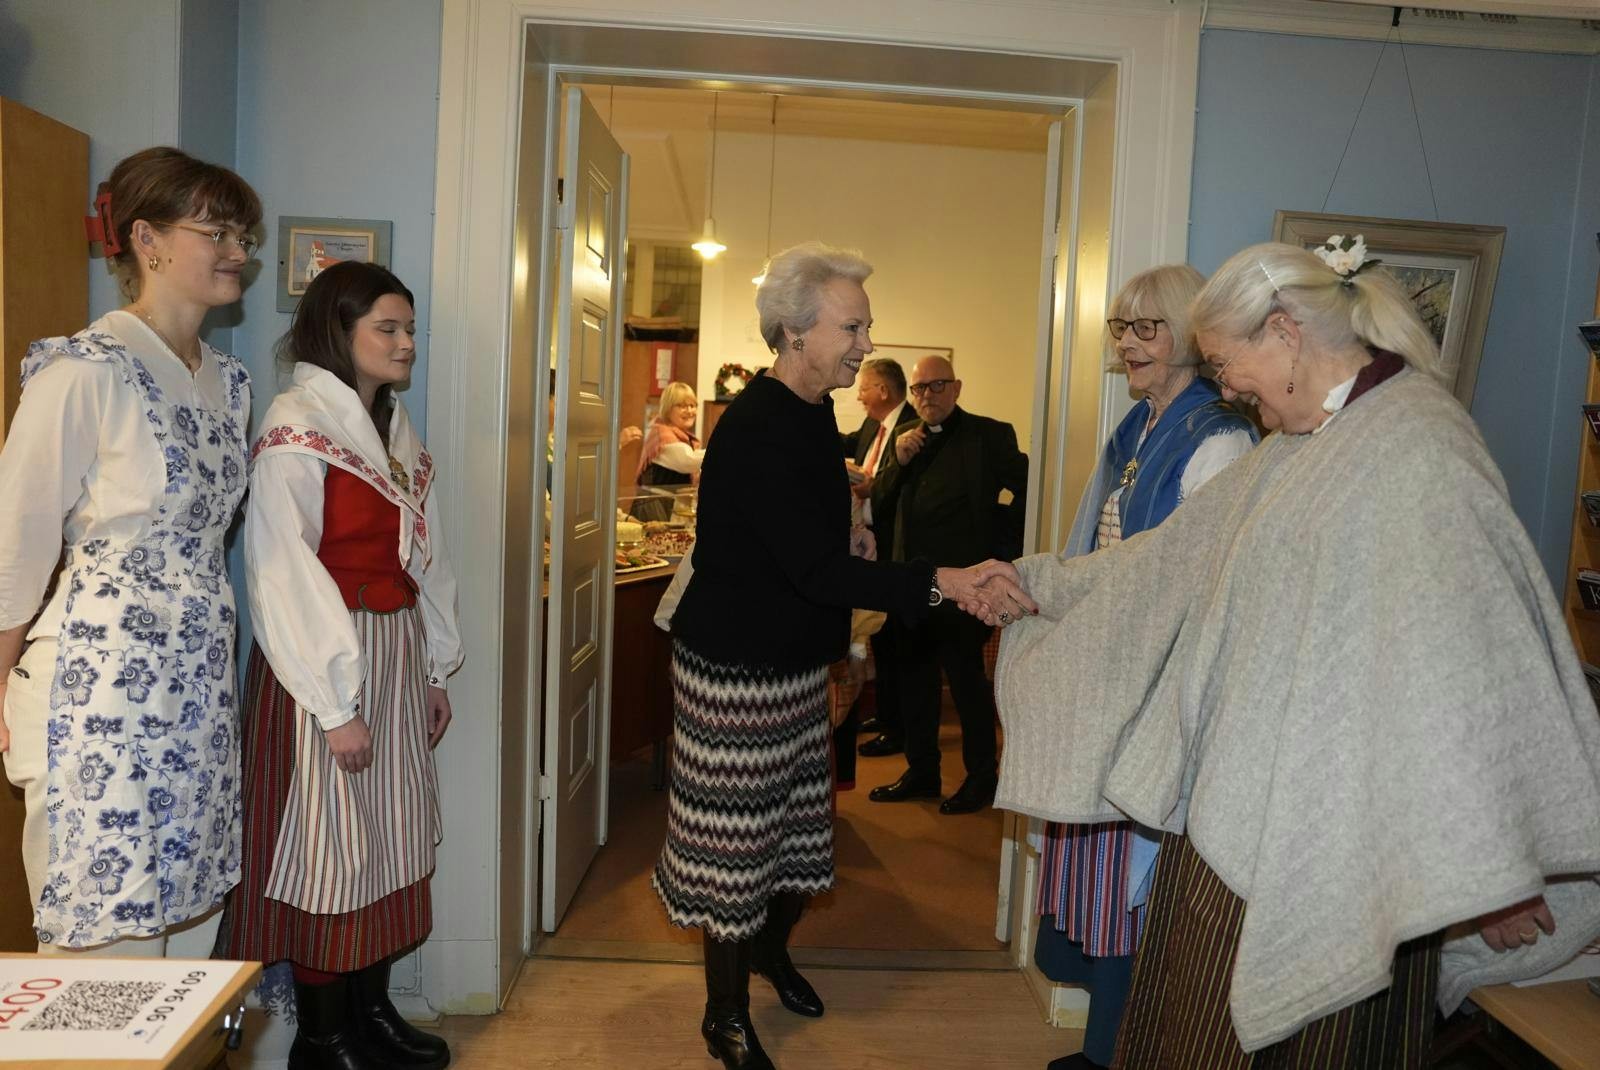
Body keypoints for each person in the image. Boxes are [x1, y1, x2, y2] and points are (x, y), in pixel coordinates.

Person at [987, 240, 1600, 1067]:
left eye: (1221, 361)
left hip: (1348, 841)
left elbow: (1474, 675)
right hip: (1238, 814)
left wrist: (1497, 870)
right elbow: (1165, 559)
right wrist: (1033, 582)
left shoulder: (1420, 448)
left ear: (1284, 331)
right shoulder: (1294, 443)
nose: (1222, 385)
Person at [658, 241, 1019, 1070]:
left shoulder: (810, 410)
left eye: (866, 325)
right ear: (794, 329)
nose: (865, 343)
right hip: (734, 669)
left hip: (793, 659)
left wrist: (851, 540)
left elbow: (817, 544)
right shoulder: (754, 427)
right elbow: (816, 571)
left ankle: (769, 952)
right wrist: (945, 582)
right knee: (734, 850)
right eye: (851, 325)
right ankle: (724, 1016)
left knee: (796, 840)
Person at [0, 147, 260, 954]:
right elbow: (15, 545)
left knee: (188, 940)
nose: (238, 252)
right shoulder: (84, 371)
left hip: (199, 689)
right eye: (214, 230)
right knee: (104, 960)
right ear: (146, 240)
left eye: (242, 234)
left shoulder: (232, 383)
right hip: (100, 690)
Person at [222, 262, 462, 1070]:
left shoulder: (391, 429)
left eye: (409, 329)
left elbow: (422, 558)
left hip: (392, 654)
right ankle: (323, 1041)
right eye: (387, 329)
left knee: (387, 838)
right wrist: (335, 705)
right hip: (328, 660)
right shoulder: (299, 425)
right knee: (332, 850)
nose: (405, 343)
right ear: (341, 331)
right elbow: (280, 568)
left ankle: (369, 1012)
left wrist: (433, 667)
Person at [1032, 264, 1256, 1070]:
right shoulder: (1137, 427)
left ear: (1192, 338)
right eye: (1120, 327)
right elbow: (1100, 540)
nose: (1128, 342)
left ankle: (1119, 1053)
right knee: (1101, 876)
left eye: (1146, 327)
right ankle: (1103, 1047)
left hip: (1158, 685)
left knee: (1135, 882)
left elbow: (1193, 580)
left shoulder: (1219, 439)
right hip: (1112, 669)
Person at [866, 355, 1027, 814]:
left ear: (956, 388)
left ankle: (981, 778)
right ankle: (922, 772)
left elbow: (1027, 488)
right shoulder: (904, 441)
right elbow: (879, 505)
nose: (927, 396)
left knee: (966, 684)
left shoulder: (989, 434)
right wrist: (895, 464)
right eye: (919, 389)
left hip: (966, 589)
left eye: (936, 386)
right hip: (914, 586)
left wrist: (1000, 552)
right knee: (914, 682)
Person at [839, 357, 919, 763]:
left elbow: (893, 489)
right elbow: (850, 444)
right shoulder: (874, 426)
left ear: (884, 391)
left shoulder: (913, 429)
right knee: (882, 642)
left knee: (897, 645)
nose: (859, 394)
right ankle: (885, 717)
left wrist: (870, 487)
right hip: (870, 545)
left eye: (865, 387)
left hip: (896, 546)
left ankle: (897, 728)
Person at [632, 380, 704, 522]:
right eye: (682, 406)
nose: (689, 411)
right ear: (668, 408)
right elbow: (687, 461)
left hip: (671, 506)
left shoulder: (686, 437)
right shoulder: (661, 433)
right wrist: (722, 450)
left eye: (692, 405)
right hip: (655, 507)